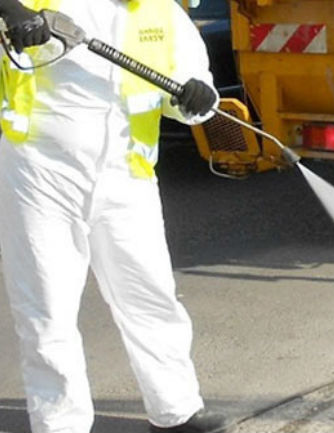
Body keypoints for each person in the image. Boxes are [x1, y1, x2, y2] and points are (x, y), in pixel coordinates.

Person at [0, 1, 232, 432]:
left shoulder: (164, 15)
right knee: (47, 309)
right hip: (40, 172)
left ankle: (175, 412)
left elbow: (190, 97)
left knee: (150, 296)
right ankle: (60, 424)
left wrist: (199, 97)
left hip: (127, 175)